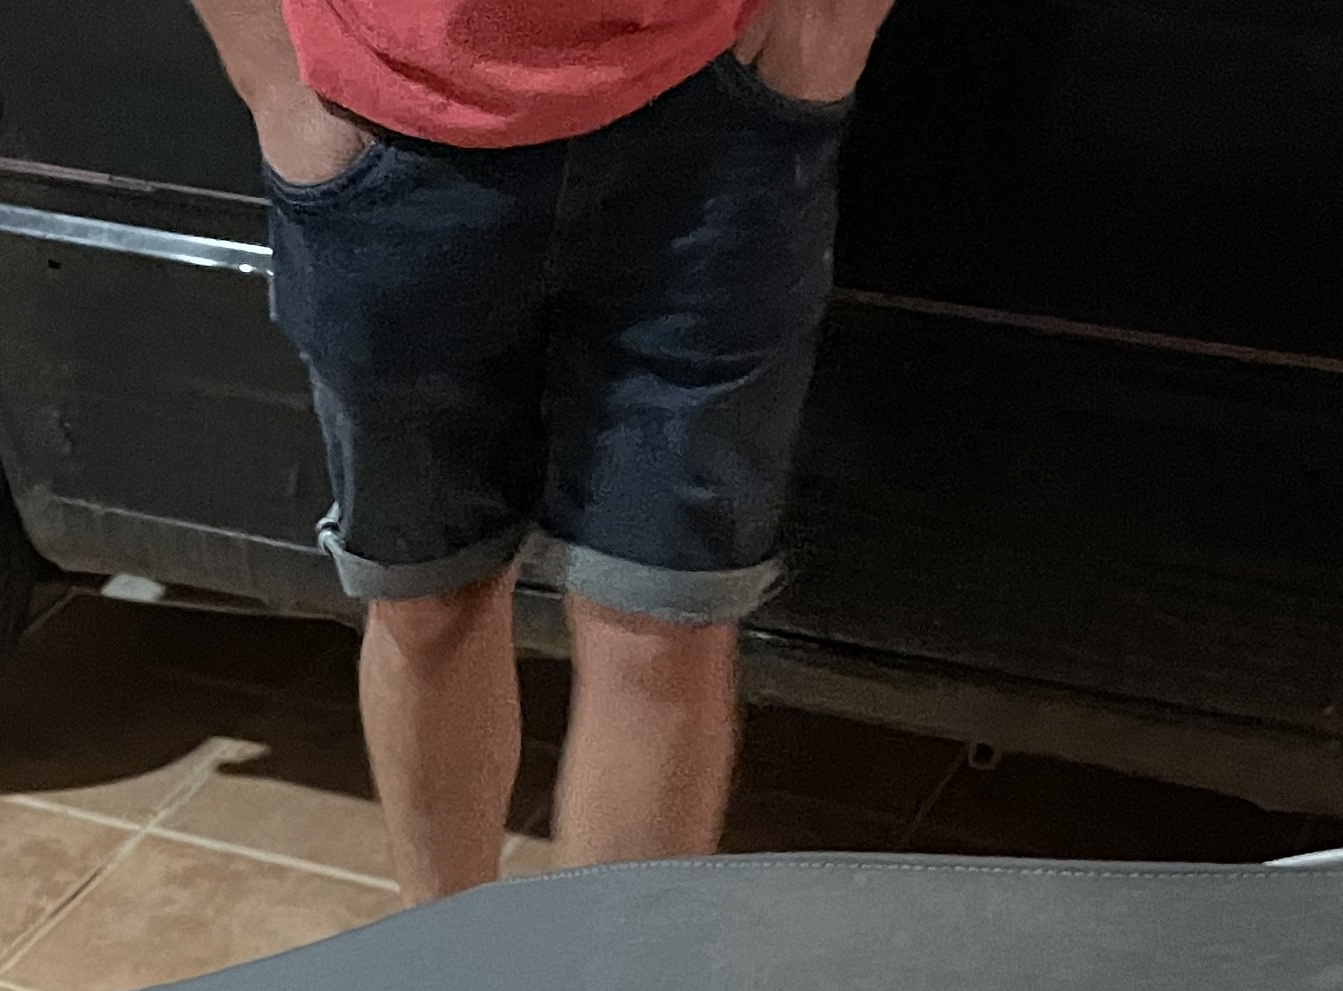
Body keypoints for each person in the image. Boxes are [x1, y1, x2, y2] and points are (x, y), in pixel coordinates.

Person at [187, 0, 898, 900]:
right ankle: (450, 971)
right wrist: (269, 64)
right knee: (427, 605)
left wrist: (832, 19)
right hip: (382, 118)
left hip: (715, 125)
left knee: (663, 627)